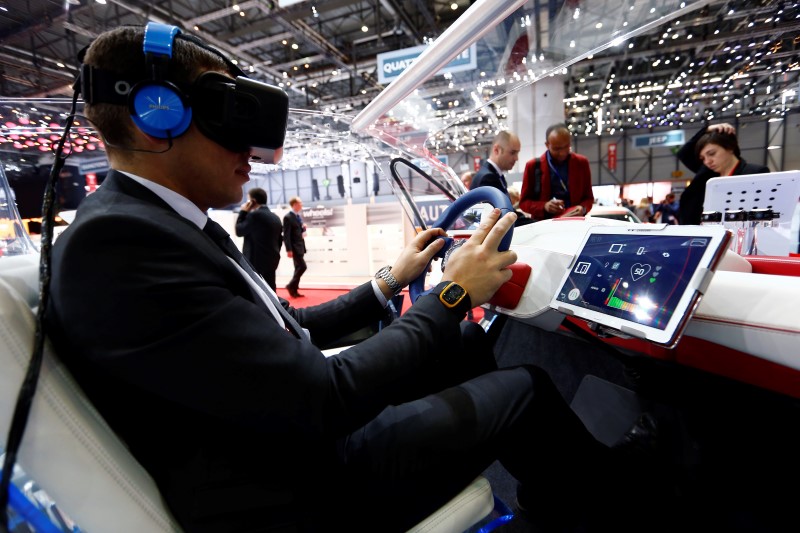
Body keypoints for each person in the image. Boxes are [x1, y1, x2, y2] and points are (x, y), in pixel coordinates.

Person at [45, 25, 663, 533]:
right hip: (297, 488)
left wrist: (391, 280)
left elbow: (291, 330)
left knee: (467, 344)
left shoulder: (158, 223)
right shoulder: (119, 243)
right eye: (226, 120)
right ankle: (599, 503)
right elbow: (323, 398)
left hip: (282, 441)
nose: (255, 152)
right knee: (526, 384)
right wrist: (452, 293)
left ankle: (558, 485)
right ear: (160, 115)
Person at [677, 122, 770, 225]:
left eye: (712, 154)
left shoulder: (754, 173)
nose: (707, 161)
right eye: (702, 158)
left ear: (730, 148)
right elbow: (684, 153)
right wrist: (706, 130)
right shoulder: (707, 175)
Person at [519, 122, 595, 221]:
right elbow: (524, 203)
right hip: (544, 225)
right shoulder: (533, 166)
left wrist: (583, 209)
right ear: (547, 145)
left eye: (566, 146)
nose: (562, 152)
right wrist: (544, 206)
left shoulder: (581, 163)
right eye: (557, 149)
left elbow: (588, 198)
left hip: (574, 223)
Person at [235, 187, 283, 291]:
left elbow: (239, 231)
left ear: (252, 201)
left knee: (259, 292)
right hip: (273, 258)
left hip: (256, 261)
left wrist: (243, 212)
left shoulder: (255, 215)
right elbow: (279, 240)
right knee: (271, 289)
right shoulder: (275, 217)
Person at [469, 130, 521, 195]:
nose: (516, 158)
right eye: (512, 153)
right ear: (496, 150)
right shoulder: (488, 179)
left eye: (517, 153)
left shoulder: (494, 176)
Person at [283, 196, 307, 298]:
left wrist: (303, 228)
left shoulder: (297, 216)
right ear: (294, 205)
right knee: (302, 267)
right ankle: (290, 285)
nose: (301, 205)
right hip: (294, 247)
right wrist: (288, 249)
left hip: (300, 246)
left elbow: (297, 232)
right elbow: (286, 235)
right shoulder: (288, 217)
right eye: (300, 203)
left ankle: (294, 290)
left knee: (298, 267)